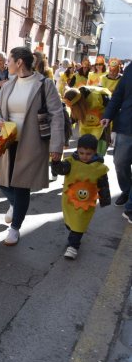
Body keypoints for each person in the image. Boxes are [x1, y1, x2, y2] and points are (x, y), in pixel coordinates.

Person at [0, 47, 64, 245]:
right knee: (1, 180)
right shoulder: (8, 85)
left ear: (19, 62)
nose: (7, 64)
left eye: (10, 60)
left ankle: (15, 228)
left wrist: (56, 146)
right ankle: (15, 205)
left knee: (21, 185)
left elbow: (57, 114)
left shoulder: (44, 84)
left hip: (32, 143)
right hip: (7, 141)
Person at [51, 134, 110, 259]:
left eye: (88, 154)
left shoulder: (99, 168)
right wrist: (55, 162)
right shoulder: (71, 163)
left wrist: (105, 199)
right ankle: (73, 233)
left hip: (86, 204)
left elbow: (103, 184)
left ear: (95, 152)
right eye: (81, 152)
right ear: (77, 150)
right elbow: (60, 170)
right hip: (69, 201)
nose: (84, 156)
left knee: (80, 223)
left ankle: (73, 246)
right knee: (70, 222)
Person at [101, 63, 132, 215]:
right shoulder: (130, 68)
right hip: (126, 124)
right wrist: (108, 115)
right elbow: (118, 94)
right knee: (120, 162)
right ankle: (127, 189)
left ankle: (130, 205)